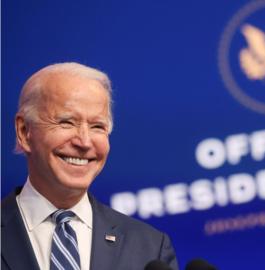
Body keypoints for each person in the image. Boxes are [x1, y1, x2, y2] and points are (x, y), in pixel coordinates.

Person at [1, 63, 179, 270]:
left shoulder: (149, 248)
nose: (84, 142)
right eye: (66, 122)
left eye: (97, 126)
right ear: (24, 132)